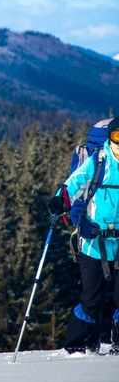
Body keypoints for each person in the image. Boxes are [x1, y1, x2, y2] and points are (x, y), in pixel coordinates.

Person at [48, 116, 119, 355]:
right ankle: (80, 348)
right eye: (117, 137)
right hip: (93, 242)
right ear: (110, 138)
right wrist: (62, 198)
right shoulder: (99, 161)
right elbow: (76, 181)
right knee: (92, 297)